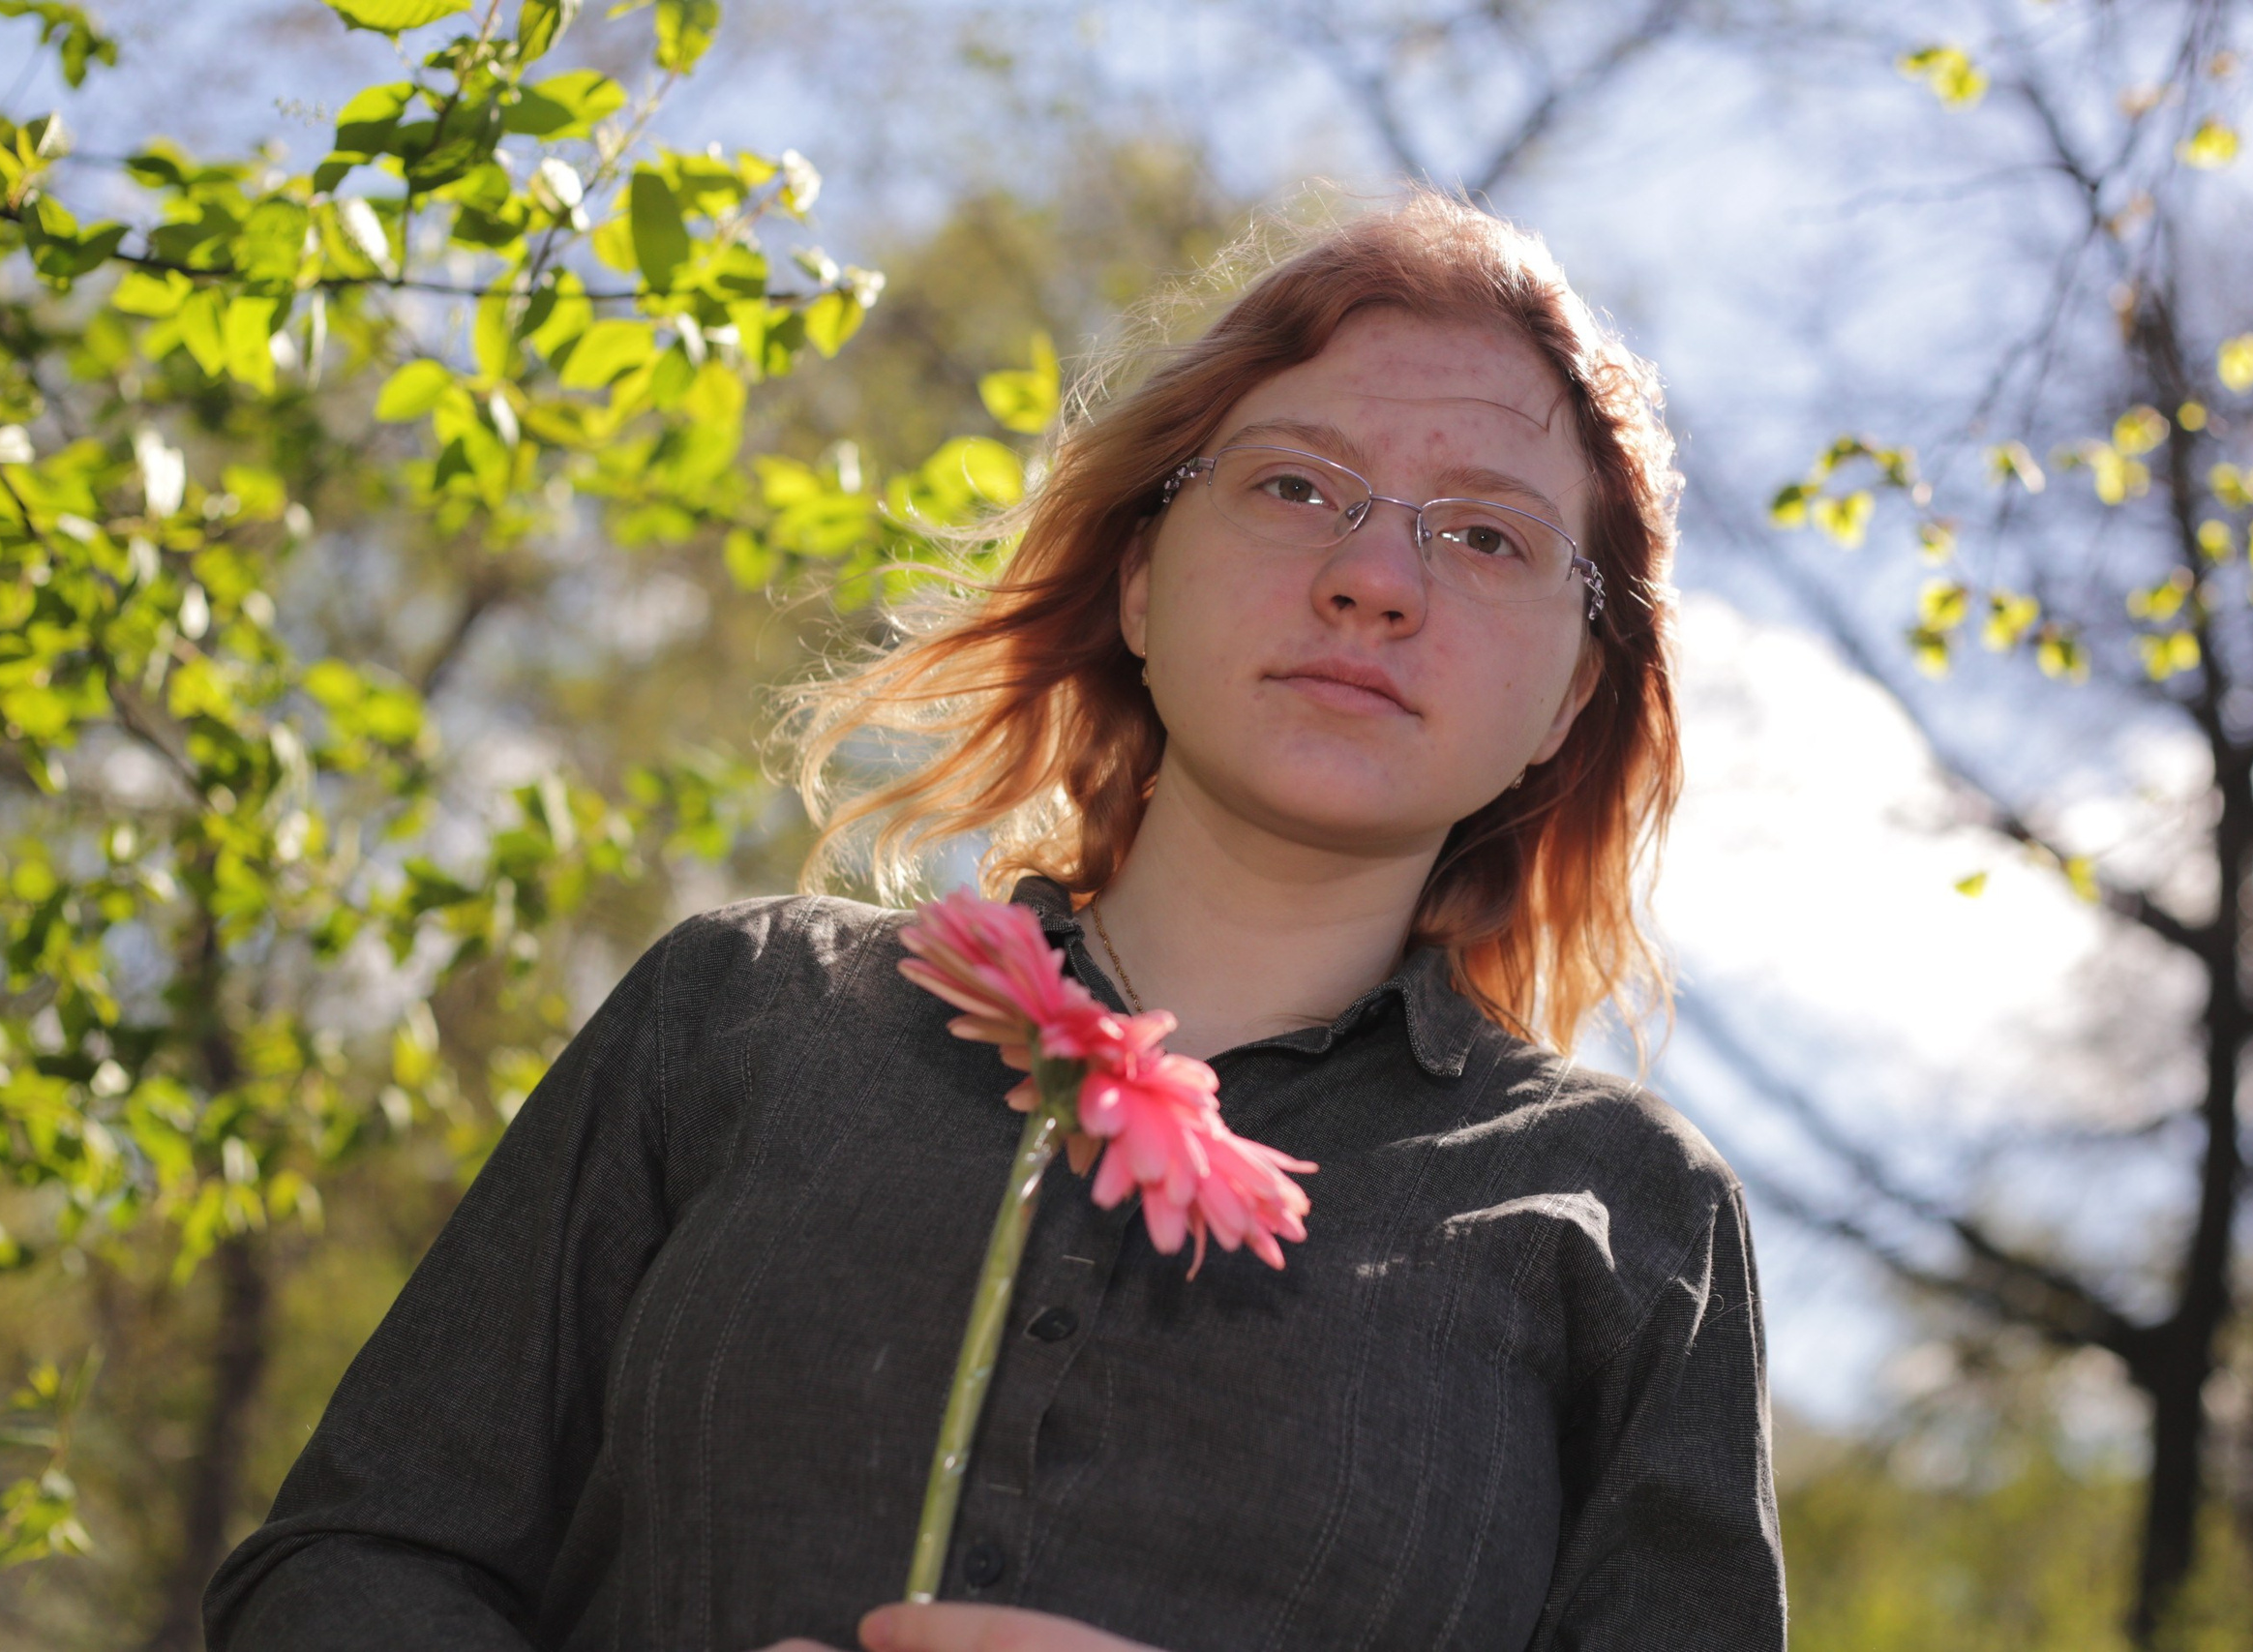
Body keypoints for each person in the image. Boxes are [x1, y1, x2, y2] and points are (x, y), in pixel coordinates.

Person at [204, 193, 1784, 1652]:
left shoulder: (1634, 1220)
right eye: (1296, 485)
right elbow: (350, 1567)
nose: (1374, 576)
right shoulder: (740, 1015)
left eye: (1489, 534)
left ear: (1571, 695)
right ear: (1143, 577)